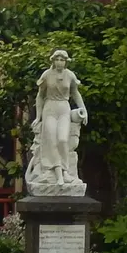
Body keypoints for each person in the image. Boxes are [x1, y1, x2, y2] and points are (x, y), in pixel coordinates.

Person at [24, 49, 89, 194]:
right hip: (50, 108)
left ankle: (65, 171)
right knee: (51, 140)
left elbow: (75, 93)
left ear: (66, 62)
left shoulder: (70, 75)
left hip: (63, 108)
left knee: (62, 140)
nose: (60, 62)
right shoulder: (47, 75)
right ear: (53, 61)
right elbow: (40, 96)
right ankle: (56, 173)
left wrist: (83, 109)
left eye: (63, 60)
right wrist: (38, 116)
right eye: (57, 59)